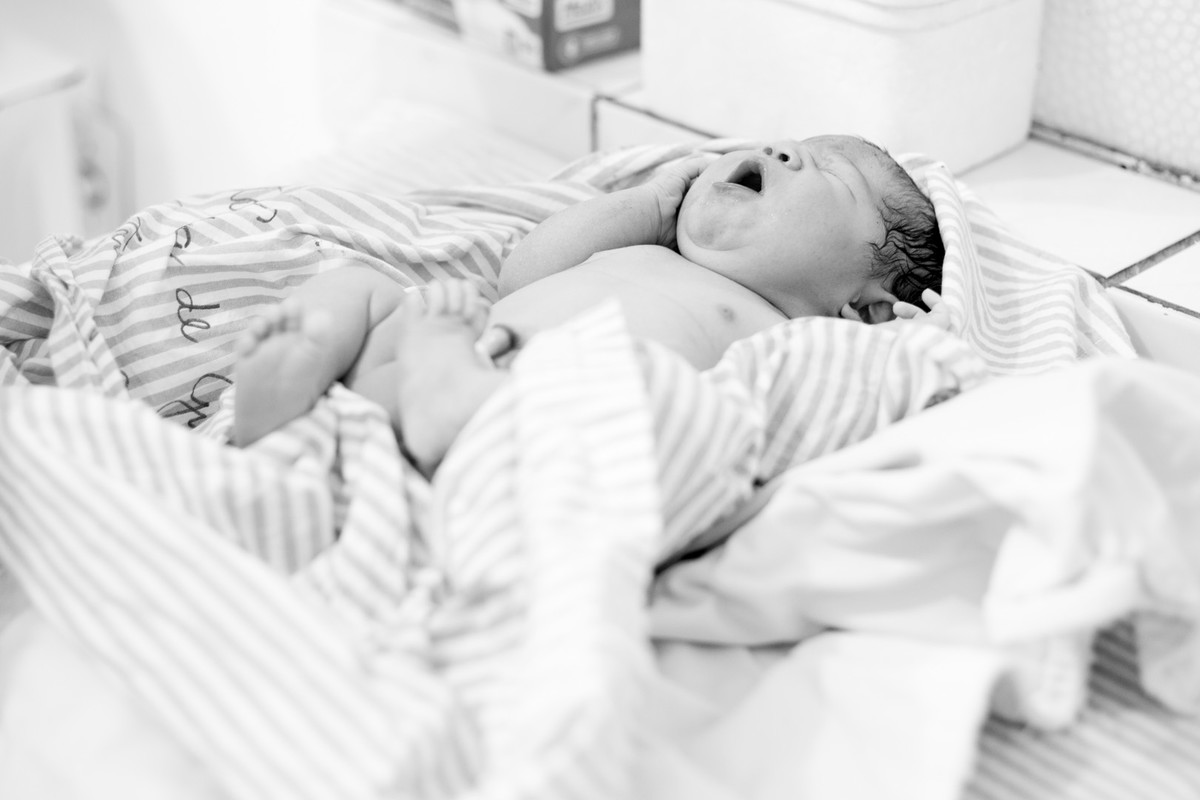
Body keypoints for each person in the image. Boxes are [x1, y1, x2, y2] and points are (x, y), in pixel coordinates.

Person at [232, 136, 956, 480]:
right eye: (791, 145)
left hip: (534, 415)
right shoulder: (641, 249)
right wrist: (647, 206)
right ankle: (298, 373)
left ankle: (435, 402)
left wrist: (911, 347)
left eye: (834, 175)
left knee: (638, 414)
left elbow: (844, 405)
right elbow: (521, 277)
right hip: (433, 352)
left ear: (864, 306)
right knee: (364, 287)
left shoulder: (792, 341)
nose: (785, 152)